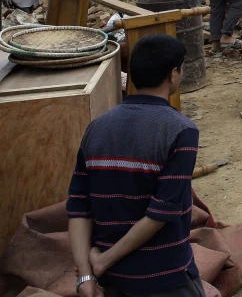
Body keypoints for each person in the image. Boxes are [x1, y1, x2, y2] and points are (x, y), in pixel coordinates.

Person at [67, 34, 202, 297]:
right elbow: (160, 213)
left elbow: (78, 206)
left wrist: (86, 275)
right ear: (173, 74)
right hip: (163, 277)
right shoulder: (181, 130)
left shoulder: (96, 128)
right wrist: (103, 261)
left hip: (110, 283)